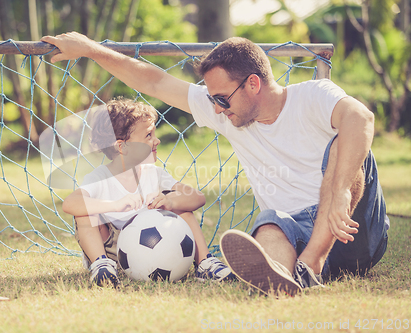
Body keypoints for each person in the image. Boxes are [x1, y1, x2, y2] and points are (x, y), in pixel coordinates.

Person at [43, 33, 389, 295]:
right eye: (212, 100)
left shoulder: (313, 95)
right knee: (268, 224)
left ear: (253, 84)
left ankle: (309, 265)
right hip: (295, 230)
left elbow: (361, 116)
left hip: (350, 227)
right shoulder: (227, 114)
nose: (218, 109)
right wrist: (89, 48)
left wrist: (341, 189)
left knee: (344, 142)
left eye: (222, 99)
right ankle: (281, 279)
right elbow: (154, 80)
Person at [62, 98, 234, 286]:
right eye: (148, 135)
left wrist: (171, 201)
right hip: (111, 248)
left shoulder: (156, 174)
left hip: (154, 245)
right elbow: (69, 204)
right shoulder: (101, 177)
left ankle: (205, 264)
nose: (156, 140)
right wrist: (115, 205)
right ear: (122, 147)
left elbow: (198, 198)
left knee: (182, 206)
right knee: (85, 212)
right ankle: (102, 265)